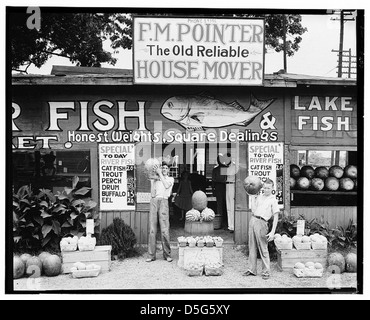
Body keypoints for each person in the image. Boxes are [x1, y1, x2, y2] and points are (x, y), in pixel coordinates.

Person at [243, 178, 280, 280]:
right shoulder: (259, 197)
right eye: (265, 188)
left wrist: (272, 232)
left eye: (268, 188)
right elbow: (253, 210)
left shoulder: (273, 200)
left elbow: (276, 217)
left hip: (262, 223)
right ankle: (252, 269)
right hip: (253, 220)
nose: (266, 190)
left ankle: (266, 271)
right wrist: (253, 198)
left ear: (272, 188)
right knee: (252, 246)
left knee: (263, 248)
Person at [146, 162, 174, 263]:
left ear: (169, 170)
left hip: (164, 201)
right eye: (163, 168)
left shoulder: (170, 179)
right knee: (152, 230)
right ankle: (151, 255)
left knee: (164, 230)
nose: (165, 169)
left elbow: (166, 186)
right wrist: (153, 181)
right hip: (154, 202)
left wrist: (159, 174)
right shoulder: (156, 179)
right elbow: (152, 194)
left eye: (166, 168)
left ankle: (167, 255)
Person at [212, 154, 227, 230]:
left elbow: (225, 179)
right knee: (220, 204)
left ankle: (225, 221)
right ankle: (220, 222)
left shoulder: (225, 168)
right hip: (219, 186)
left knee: (225, 203)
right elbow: (213, 180)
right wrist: (213, 189)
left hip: (224, 186)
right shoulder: (215, 169)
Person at [224, 153, 236, 233]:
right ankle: (230, 226)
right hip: (227, 185)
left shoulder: (234, 166)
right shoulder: (225, 167)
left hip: (232, 185)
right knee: (228, 206)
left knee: (232, 206)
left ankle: (234, 226)